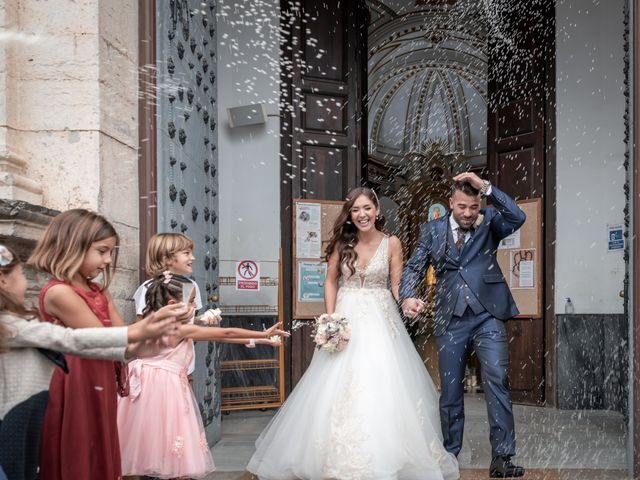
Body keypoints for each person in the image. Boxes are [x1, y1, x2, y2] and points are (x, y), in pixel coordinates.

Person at [247, 187, 459, 480]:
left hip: (380, 318)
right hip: (346, 316)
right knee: (335, 381)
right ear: (350, 214)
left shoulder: (392, 243)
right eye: (356, 210)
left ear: (377, 210)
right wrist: (331, 317)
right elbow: (330, 281)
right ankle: (331, 454)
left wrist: (408, 301)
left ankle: (385, 452)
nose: (362, 215)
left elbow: (397, 285)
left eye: (367, 208)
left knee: (382, 380)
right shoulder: (342, 243)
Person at [0, 243, 185, 480]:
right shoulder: (9, 324)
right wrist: (139, 332)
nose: (26, 282)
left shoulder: (12, 321)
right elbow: (70, 339)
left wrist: (137, 341)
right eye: (22, 275)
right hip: (16, 415)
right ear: (3, 281)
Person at [400, 172, 526, 478]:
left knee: (497, 380)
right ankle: (449, 456)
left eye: (473, 206)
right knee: (451, 391)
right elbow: (415, 266)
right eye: (462, 207)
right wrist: (407, 297)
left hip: (488, 315)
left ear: (479, 202)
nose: (468, 213)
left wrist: (486, 187)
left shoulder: (492, 221)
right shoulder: (431, 230)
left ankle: (502, 458)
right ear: (450, 204)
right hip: (451, 318)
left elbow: (517, 215)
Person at [117, 272, 288, 479]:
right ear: (172, 303)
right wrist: (262, 334)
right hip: (165, 390)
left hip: (140, 388)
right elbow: (224, 334)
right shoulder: (177, 329)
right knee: (175, 454)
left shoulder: (146, 326)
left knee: (135, 449)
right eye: (190, 302)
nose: (194, 308)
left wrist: (259, 340)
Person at [27, 208, 147, 479]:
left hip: (97, 374)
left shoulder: (99, 292)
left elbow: (126, 342)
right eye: (101, 251)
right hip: (74, 381)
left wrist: (162, 327)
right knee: (79, 448)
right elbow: (105, 339)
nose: (106, 260)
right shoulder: (59, 292)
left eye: (110, 253)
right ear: (73, 246)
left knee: (98, 444)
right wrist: (153, 326)